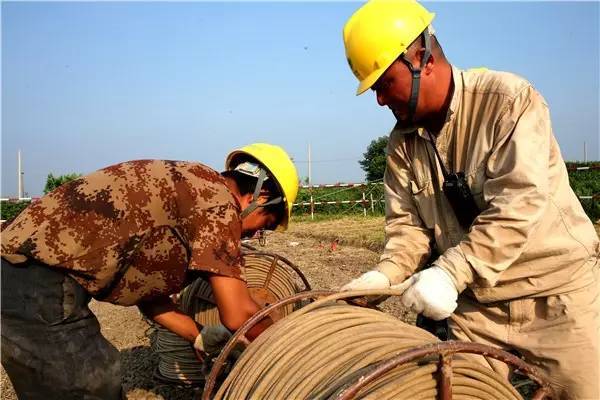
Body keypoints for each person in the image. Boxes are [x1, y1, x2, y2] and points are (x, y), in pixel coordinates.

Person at [340, 0, 599, 398]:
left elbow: (517, 206)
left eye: (384, 83)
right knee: (448, 391)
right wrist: (385, 275)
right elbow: (408, 229)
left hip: (556, 297)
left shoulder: (508, 102)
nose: (379, 100)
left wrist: (448, 274)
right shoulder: (401, 147)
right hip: (475, 309)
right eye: (373, 88)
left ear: (422, 58)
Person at [1, 142, 299, 399]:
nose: (255, 236)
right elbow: (239, 316)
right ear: (260, 197)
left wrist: (201, 336)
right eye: (268, 223)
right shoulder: (218, 205)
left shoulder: (195, 187)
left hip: (21, 275)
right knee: (89, 384)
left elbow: (149, 297)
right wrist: (291, 347)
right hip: (29, 277)